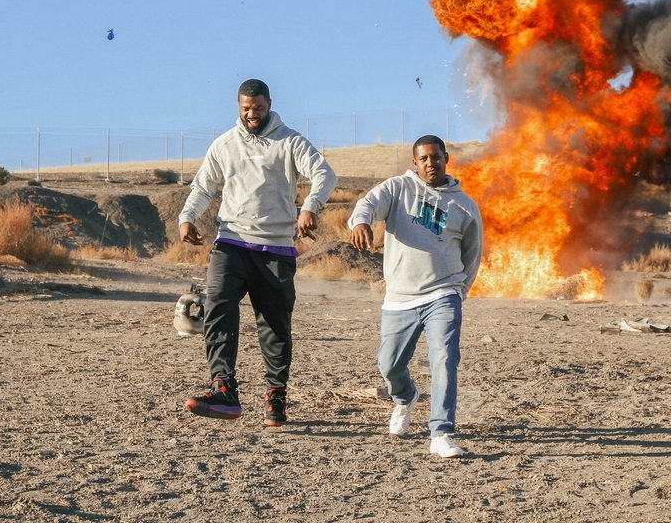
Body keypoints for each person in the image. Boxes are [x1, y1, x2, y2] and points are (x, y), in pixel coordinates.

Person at [178, 78, 337, 427]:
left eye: (259, 108)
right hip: (231, 241)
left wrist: (311, 205)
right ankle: (223, 390)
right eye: (246, 108)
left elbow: (324, 173)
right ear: (238, 106)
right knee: (218, 307)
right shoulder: (225, 144)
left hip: (276, 248)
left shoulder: (290, 141)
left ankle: (275, 397)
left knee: (274, 324)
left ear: (270, 104)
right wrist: (187, 217)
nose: (253, 114)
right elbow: (203, 186)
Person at [348, 134, 482, 458]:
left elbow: (473, 252)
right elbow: (367, 203)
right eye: (423, 159)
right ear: (415, 163)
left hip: (443, 292)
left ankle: (441, 433)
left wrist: (460, 289)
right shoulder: (397, 190)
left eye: (435, 157)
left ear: (446, 158)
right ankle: (405, 397)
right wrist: (361, 221)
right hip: (400, 295)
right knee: (389, 364)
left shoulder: (464, 205)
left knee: (445, 358)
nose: (430, 163)